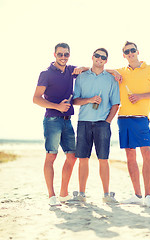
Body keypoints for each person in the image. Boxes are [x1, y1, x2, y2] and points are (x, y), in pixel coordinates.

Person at [108, 41, 150, 207]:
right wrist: (113, 72)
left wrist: (140, 96)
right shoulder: (120, 72)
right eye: (127, 51)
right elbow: (102, 70)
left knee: (146, 153)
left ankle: (148, 196)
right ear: (124, 55)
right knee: (130, 157)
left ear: (137, 51)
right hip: (123, 118)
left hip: (141, 118)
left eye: (133, 50)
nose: (131, 53)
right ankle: (137, 195)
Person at [33, 43, 88, 206]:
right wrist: (57, 106)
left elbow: (86, 69)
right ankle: (52, 195)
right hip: (51, 121)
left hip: (67, 121)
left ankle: (64, 193)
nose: (63, 57)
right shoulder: (46, 74)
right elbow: (36, 98)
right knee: (51, 156)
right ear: (54, 55)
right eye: (60, 54)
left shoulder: (71, 70)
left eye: (66, 54)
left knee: (72, 156)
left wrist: (80, 68)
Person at [73, 48, 120, 203]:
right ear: (92, 57)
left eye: (103, 57)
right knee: (83, 159)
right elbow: (75, 100)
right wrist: (90, 100)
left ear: (106, 60)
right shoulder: (81, 77)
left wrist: (107, 122)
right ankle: (81, 193)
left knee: (103, 159)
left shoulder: (111, 79)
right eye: (97, 55)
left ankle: (107, 194)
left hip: (102, 124)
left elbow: (115, 104)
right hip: (84, 122)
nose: (99, 58)